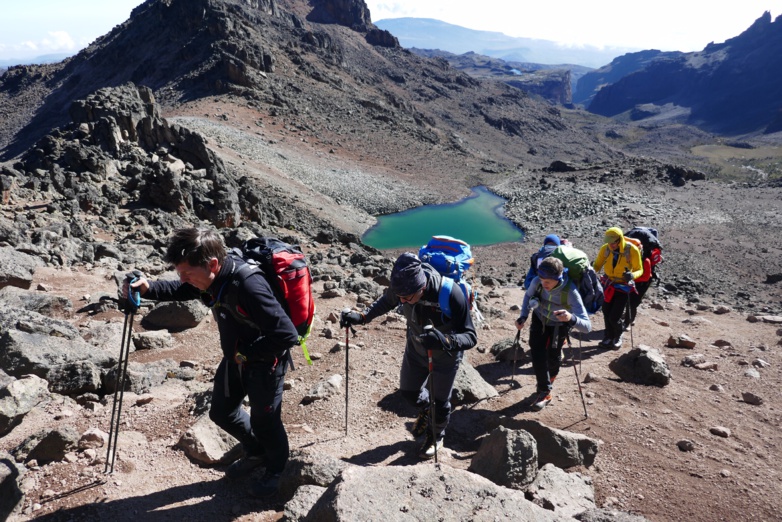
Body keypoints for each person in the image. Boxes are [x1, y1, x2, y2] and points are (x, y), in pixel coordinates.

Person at [122, 227, 299, 498]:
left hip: (265, 362)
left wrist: (248, 354)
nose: (184, 279)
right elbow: (182, 289)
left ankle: (276, 471)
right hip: (237, 358)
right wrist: (149, 288)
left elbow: (287, 334)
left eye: (188, 273)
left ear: (212, 264)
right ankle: (258, 451)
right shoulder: (212, 279)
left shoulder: (249, 285)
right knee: (221, 412)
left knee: (267, 422)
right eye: (180, 272)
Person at [340, 253, 477, 459]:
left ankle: (436, 435)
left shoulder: (450, 293)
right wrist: (362, 317)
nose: (402, 301)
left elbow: (470, 336)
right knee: (408, 392)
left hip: (444, 358)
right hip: (415, 351)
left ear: (421, 287)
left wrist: (446, 341)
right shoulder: (403, 287)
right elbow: (386, 302)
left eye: (406, 298)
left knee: (440, 402)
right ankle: (426, 411)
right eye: (400, 297)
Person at [515, 256, 591, 411]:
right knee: (537, 355)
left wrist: (571, 318)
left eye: (548, 280)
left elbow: (587, 326)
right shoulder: (537, 281)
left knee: (553, 359)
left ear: (559, 277)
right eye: (542, 279)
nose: (544, 283)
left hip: (559, 326)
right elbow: (528, 296)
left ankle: (548, 381)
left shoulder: (570, 292)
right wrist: (523, 316)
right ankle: (545, 390)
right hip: (539, 319)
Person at [592, 227, 643, 349]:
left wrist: (632, 275)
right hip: (608, 284)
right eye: (609, 242)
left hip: (623, 286)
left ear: (620, 239)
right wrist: (590, 269)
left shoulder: (632, 250)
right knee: (606, 311)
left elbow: (639, 269)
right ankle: (608, 336)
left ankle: (617, 335)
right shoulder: (605, 249)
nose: (611, 245)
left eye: (613, 242)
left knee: (614, 316)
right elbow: (598, 265)